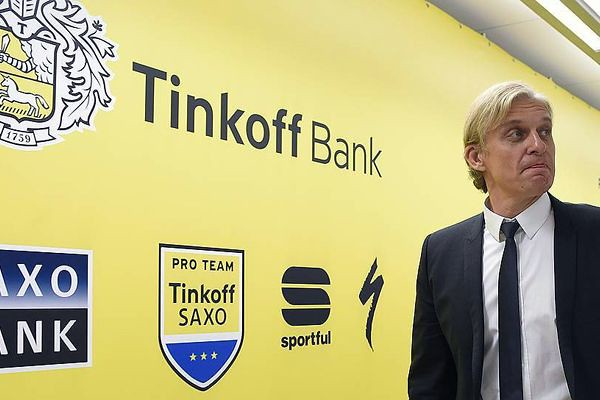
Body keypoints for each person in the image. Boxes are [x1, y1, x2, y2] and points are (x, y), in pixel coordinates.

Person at [408, 81, 600, 400]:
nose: (538, 145)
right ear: (476, 157)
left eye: (545, 131)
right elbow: (431, 379)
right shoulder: (441, 252)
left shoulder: (593, 233)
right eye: (517, 134)